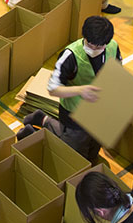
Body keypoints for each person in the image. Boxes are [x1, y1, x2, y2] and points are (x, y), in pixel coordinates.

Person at [18, 16, 121, 163]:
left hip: (99, 109)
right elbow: (53, 89)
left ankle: (43, 118)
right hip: (74, 112)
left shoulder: (113, 47)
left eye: (98, 47)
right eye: (90, 44)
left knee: (92, 151)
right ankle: (39, 125)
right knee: (75, 149)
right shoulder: (70, 55)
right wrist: (80, 91)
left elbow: (117, 70)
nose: (93, 49)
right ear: (84, 37)